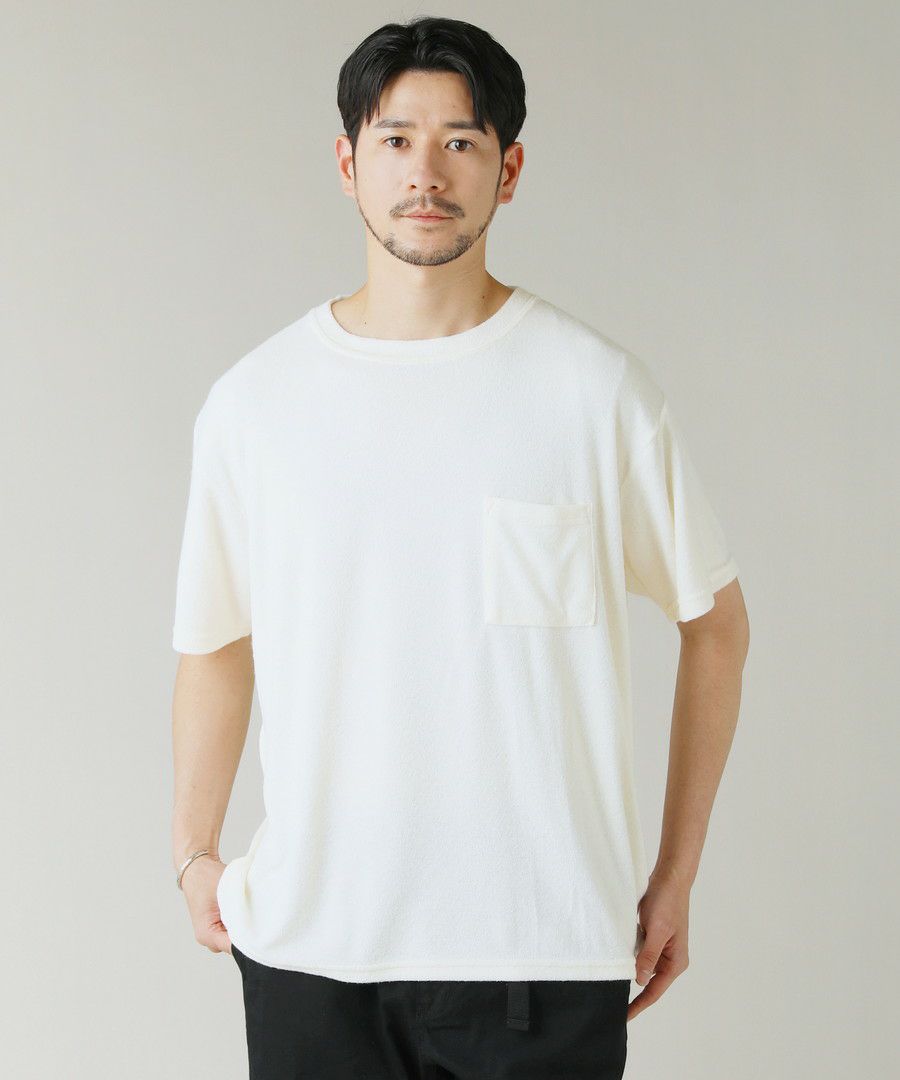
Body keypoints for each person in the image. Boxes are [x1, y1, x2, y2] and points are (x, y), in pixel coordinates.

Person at [170, 15, 750, 1079]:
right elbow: (214, 641)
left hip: (541, 951)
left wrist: (675, 877)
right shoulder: (256, 405)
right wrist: (192, 852)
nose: (425, 173)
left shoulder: (594, 393)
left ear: (508, 170)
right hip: (311, 950)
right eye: (395, 140)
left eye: (460, 142)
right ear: (347, 162)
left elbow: (717, 626)